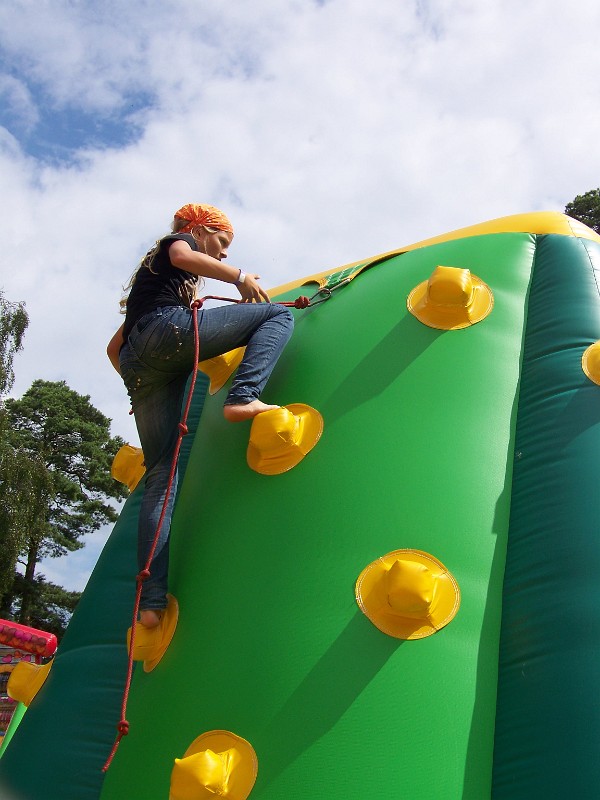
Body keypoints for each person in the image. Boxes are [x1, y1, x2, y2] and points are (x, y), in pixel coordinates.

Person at [107, 203, 294, 631]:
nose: (224, 253)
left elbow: (114, 349)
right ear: (199, 228)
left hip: (140, 365)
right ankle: (244, 396)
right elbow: (182, 255)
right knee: (278, 314)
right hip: (166, 332)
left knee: (160, 479)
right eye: (222, 242)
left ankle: (151, 603)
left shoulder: (150, 289)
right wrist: (241, 278)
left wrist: (140, 385)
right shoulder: (177, 244)